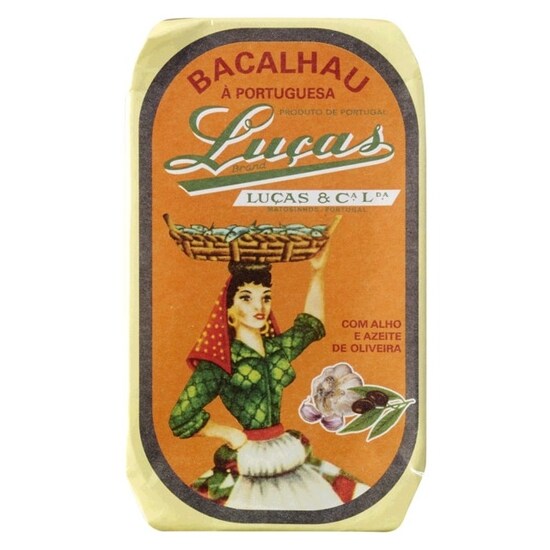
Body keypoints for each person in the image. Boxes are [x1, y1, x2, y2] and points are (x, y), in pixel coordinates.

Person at [169, 245, 368, 509]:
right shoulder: (220, 362)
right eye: (246, 298)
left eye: (265, 297)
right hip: (249, 458)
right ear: (229, 310)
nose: (259, 306)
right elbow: (180, 418)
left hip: (287, 450)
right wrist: (229, 434)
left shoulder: (277, 349)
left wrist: (317, 272)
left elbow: (311, 325)